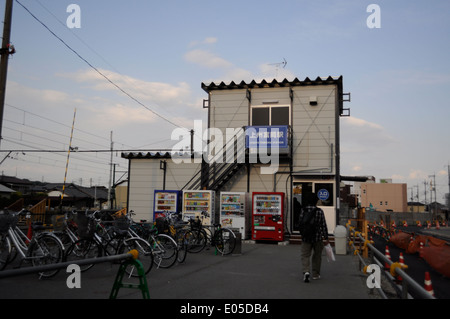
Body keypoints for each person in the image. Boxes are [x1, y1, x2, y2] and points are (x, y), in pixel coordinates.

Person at [299, 192, 329, 283]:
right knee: (317, 256)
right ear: (316, 201)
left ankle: (306, 272)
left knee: (305, 255)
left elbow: (300, 223)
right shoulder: (319, 211)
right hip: (317, 237)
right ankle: (315, 274)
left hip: (306, 237)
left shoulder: (303, 210)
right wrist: (326, 237)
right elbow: (323, 225)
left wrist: (302, 234)